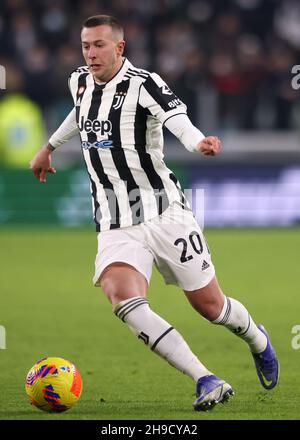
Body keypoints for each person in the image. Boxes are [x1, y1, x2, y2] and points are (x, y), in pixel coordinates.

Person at [29, 15, 279, 411]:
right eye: (85, 46)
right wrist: (50, 146)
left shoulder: (145, 84)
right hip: (114, 221)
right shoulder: (78, 81)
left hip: (164, 213)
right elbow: (79, 112)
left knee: (210, 306)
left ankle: (258, 339)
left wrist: (199, 143)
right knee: (122, 298)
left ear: (119, 48)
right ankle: (205, 379)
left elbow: (176, 120)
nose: (90, 54)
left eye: (98, 46)